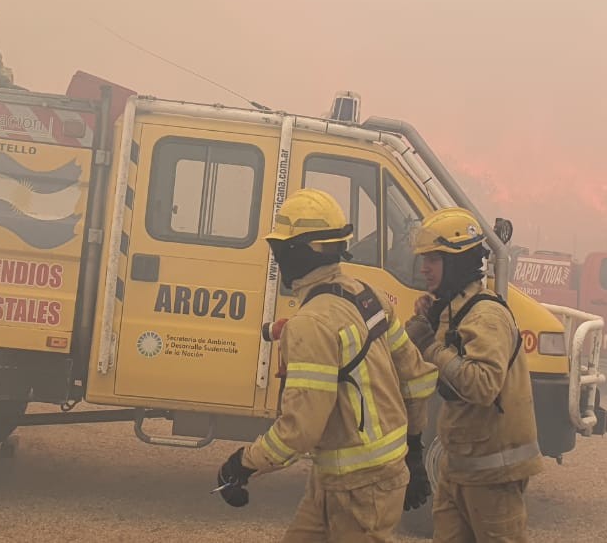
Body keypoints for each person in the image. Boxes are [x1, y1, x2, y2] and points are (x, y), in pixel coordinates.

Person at [215, 188, 439, 542]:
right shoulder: (370, 295)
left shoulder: (310, 324)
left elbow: (299, 431)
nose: (277, 260)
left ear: (297, 253)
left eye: (281, 250)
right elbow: (416, 378)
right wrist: (413, 452)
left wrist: (244, 463)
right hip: (339, 481)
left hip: (362, 491)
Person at [404, 207, 542, 543]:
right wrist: (428, 325)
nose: (424, 267)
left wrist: (431, 347)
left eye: (433, 259)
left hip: (494, 472)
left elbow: (482, 386)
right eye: (424, 258)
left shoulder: (486, 316)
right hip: (458, 469)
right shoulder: (453, 309)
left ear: (456, 262)